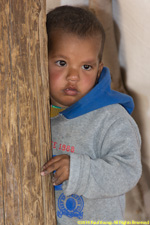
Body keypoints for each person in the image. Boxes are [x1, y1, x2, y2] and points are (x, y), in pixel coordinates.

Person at [41, 5, 142, 224]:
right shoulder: (30, 110)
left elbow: (128, 170)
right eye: (62, 63)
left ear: (99, 69)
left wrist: (78, 171)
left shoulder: (111, 119)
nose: (73, 76)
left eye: (86, 66)